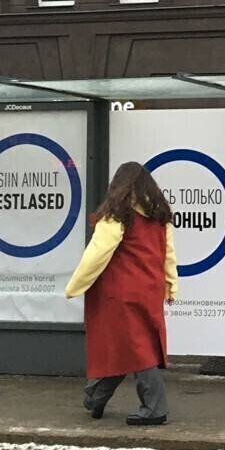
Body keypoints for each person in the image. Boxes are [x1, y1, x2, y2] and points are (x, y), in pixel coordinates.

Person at [64, 162, 178, 426]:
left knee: (135, 349)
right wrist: (171, 284)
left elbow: (97, 254)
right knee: (129, 346)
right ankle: (95, 398)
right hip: (149, 290)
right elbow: (168, 254)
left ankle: (154, 407)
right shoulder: (160, 217)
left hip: (119, 292)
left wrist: (75, 285)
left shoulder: (117, 215)